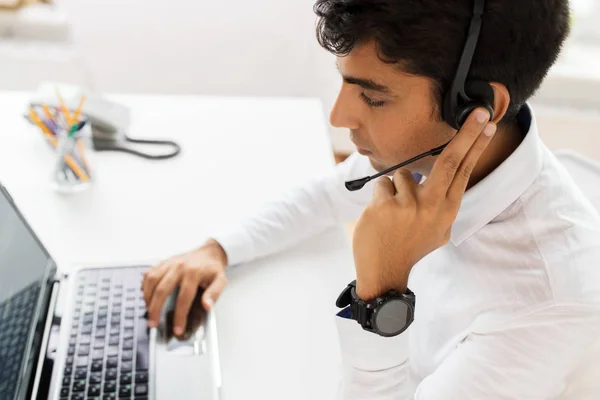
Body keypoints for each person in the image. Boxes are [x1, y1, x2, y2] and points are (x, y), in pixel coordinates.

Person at [142, 0, 600, 398]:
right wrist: (217, 250)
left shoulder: (548, 302)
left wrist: (380, 294)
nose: (340, 117)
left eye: (374, 98)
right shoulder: (428, 152)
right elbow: (324, 197)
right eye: (345, 82)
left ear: (477, 107)